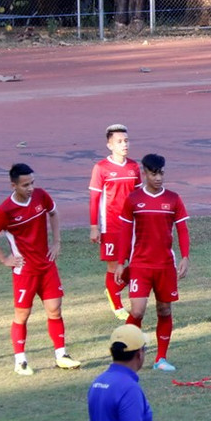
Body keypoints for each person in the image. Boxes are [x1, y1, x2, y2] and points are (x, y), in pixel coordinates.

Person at [0, 163, 81, 375]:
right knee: (22, 315)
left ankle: (61, 355)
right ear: (14, 186)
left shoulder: (40, 196)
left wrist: (57, 242)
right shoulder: (4, 210)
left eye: (32, 183)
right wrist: (4, 259)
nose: (30, 188)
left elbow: (53, 213)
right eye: (25, 185)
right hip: (25, 271)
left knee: (55, 309)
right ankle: (20, 361)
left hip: (46, 266)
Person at [114, 154, 190, 372]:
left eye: (161, 173)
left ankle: (161, 359)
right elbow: (125, 232)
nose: (158, 178)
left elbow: (182, 230)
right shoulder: (133, 199)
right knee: (137, 311)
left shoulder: (173, 199)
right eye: (153, 174)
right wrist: (121, 262)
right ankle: (125, 356)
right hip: (140, 265)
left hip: (165, 265)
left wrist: (185, 257)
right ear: (144, 173)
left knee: (164, 309)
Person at [89, 124, 142, 321]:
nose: (124, 145)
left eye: (126, 141)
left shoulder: (134, 167)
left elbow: (139, 196)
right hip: (111, 226)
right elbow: (94, 199)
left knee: (137, 263)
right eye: (119, 142)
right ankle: (117, 304)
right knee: (113, 267)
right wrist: (94, 227)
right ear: (109, 145)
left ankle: (112, 289)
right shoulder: (101, 168)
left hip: (132, 225)